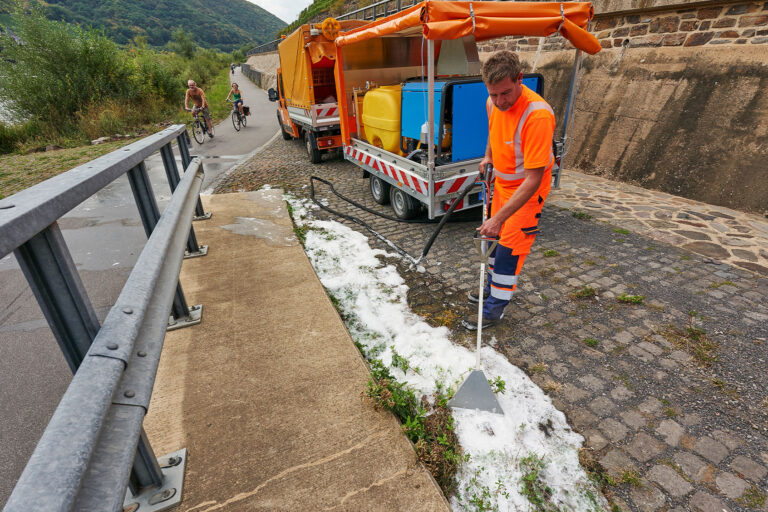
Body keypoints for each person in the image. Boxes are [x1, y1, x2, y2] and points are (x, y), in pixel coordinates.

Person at [462, 50, 556, 330]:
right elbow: (494, 130)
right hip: (502, 187)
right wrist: (488, 156)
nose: (500, 102)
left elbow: (533, 179)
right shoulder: (493, 103)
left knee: (508, 252)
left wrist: (498, 218)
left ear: (520, 79)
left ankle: (493, 311)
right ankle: (491, 292)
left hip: (527, 193)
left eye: (505, 94)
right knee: (492, 246)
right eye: (493, 95)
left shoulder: (536, 116)